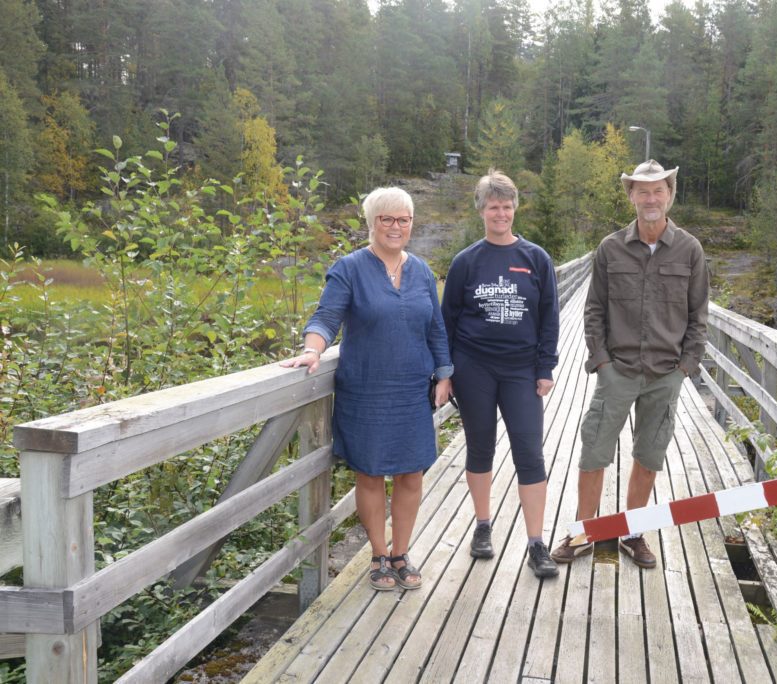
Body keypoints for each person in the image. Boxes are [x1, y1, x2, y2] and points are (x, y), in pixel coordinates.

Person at [281, 187, 452, 591]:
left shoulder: (423, 272)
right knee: (371, 474)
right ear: (371, 223)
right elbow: (326, 317)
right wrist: (312, 350)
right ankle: (378, 556)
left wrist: (444, 373)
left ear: (412, 223)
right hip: (366, 390)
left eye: (403, 219)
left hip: (412, 389)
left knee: (412, 474)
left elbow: (436, 328)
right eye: (386, 219)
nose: (396, 227)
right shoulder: (350, 267)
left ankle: (401, 553)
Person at [551, 159, 709, 569]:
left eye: (659, 190)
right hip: (617, 369)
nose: (651, 198)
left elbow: (699, 316)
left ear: (670, 195)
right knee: (594, 450)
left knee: (649, 455)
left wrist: (685, 368)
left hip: (665, 373)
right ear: (632, 196)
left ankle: (633, 531)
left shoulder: (690, 250)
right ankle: (585, 532)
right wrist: (600, 360)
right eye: (643, 190)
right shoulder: (610, 248)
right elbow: (594, 310)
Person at [441, 169, 560, 579]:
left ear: (515, 209)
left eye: (507, 206)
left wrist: (546, 367)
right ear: (481, 211)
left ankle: (536, 542)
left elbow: (549, 318)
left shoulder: (535, 259)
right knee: (480, 447)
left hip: (522, 370)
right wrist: (446, 372)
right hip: (474, 367)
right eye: (493, 206)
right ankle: (482, 525)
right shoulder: (466, 262)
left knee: (530, 451)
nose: (501, 213)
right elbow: (448, 320)